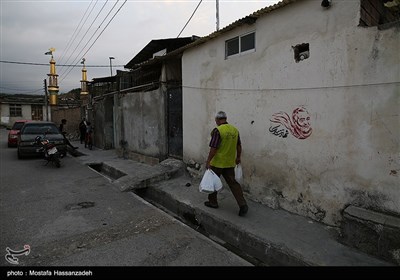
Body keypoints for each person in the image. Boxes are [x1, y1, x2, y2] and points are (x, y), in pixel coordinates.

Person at [205, 111, 248, 217]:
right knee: (233, 183)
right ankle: (242, 204)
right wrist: (238, 157)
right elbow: (239, 145)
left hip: (218, 163)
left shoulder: (218, 130)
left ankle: (213, 202)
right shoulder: (234, 130)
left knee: (213, 182)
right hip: (229, 163)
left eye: (216, 120)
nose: (215, 122)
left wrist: (208, 160)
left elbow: (214, 148)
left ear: (218, 120)